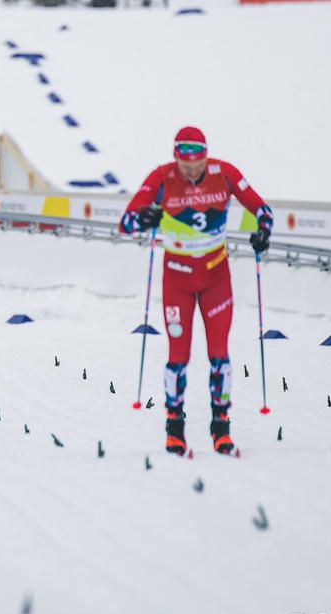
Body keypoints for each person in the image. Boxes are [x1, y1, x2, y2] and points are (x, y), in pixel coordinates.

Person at [120, 126, 273, 455]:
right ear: (175, 158)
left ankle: (222, 430)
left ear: (206, 155)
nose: (192, 171)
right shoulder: (161, 178)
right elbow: (126, 222)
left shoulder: (225, 173)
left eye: (197, 163)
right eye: (185, 165)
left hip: (217, 279)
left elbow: (263, 210)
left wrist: (263, 231)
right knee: (179, 356)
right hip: (177, 280)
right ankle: (174, 430)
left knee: (220, 355)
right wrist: (144, 219)